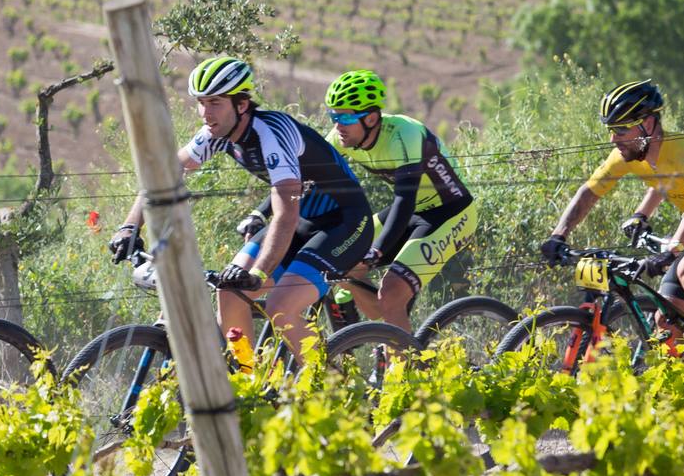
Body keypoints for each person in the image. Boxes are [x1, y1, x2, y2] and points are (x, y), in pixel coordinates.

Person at [109, 56, 374, 359]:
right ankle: (248, 381)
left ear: (242, 104)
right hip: (303, 220)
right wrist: (130, 226)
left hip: (345, 223)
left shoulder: (272, 133)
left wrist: (260, 273)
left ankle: (331, 386)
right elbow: (163, 177)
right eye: (202, 103)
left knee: (280, 308)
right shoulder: (217, 133)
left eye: (215, 103)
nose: (206, 114)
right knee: (228, 291)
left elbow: (285, 213)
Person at [541, 80, 684, 346]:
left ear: (648, 124)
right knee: (667, 324)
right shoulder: (627, 154)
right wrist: (558, 235)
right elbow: (589, 192)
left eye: (622, 129)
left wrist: (671, 251)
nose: (614, 139)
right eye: (611, 129)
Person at [321, 70, 476, 333]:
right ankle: (381, 339)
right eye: (333, 116)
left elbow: (404, 200)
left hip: (451, 213)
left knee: (391, 293)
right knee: (341, 262)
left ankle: (405, 369)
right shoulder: (342, 138)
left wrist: (377, 251)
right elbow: (306, 179)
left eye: (346, 117)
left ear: (371, 118)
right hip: (413, 210)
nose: (338, 126)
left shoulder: (403, 134)